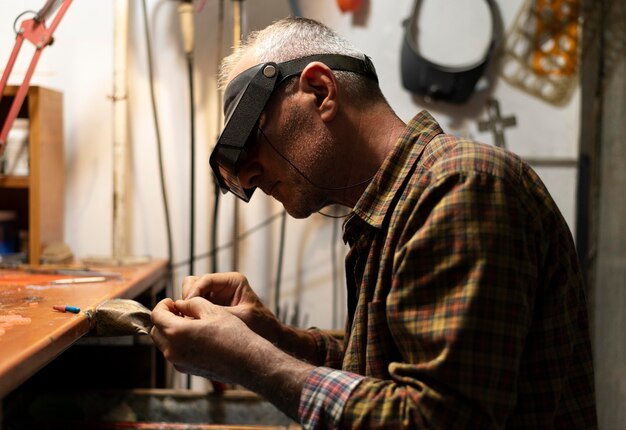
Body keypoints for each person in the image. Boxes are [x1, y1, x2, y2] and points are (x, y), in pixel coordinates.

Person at [150, 17, 598, 429]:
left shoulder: (460, 186)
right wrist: (275, 337)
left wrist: (250, 361)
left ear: (321, 92)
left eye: (251, 136)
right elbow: (388, 371)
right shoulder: (395, 211)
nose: (247, 174)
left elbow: (436, 418)